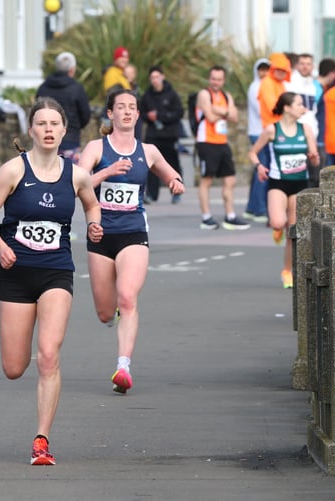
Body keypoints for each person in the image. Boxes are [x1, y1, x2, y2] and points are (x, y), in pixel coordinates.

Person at [0, 97, 102, 465]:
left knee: (48, 354)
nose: (48, 130)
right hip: (16, 272)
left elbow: (92, 204)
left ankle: (41, 440)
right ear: (31, 130)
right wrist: (0, 246)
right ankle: (26, 354)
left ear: (65, 131)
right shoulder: (13, 171)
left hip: (56, 271)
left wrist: (94, 223)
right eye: (41, 124)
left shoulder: (76, 174)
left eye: (54, 124)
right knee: (14, 368)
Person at [77, 89, 185, 394]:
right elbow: (75, 184)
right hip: (100, 233)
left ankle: (123, 366)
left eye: (132, 107)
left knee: (127, 297)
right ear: (110, 114)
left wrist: (176, 183)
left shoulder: (147, 151)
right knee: (105, 312)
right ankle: (114, 319)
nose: (127, 112)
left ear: (138, 115)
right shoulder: (96, 148)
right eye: (120, 107)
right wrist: (108, 171)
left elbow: (171, 175)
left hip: (134, 232)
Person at [249, 92, 319, 289]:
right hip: (278, 183)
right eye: (298, 104)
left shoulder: (306, 129)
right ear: (287, 108)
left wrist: (313, 158)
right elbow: (253, 153)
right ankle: (276, 228)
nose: (302, 108)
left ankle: (287, 270)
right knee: (278, 222)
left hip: (299, 184)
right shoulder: (272, 130)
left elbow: (315, 158)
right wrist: (259, 167)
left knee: (293, 232)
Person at [194, 65, 250, 230]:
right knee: (207, 180)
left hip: (222, 141)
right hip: (206, 141)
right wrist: (224, 111)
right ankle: (206, 216)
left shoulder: (226, 95)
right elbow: (210, 117)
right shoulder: (204, 94)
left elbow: (234, 117)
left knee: (230, 179)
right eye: (213, 79)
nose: (216, 82)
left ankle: (230, 215)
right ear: (209, 79)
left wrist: (220, 110)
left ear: (223, 80)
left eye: (219, 79)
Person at [35, 51, 91, 163]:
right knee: (69, 177)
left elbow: (36, 115)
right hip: (70, 140)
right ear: (72, 70)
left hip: (45, 141)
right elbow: (85, 115)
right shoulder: (76, 88)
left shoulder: (43, 88)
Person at [141, 64, 184, 204]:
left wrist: (161, 115)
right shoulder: (147, 96)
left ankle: (176, 191)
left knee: (172, 164)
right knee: (152, 166)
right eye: (152, 77)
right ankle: (152, 194)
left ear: (162, 77)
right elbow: (141, 114)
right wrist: (149, 116)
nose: (155, 80)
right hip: (153, 135)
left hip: (169, 135)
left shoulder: (172, 94)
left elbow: (179, 112)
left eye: (157, 77)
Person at [243, 58, 270, 221]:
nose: (264, 72)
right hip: (258, 133)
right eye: (261, 69)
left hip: (261, 132)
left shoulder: (264, 87)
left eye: (267, 69)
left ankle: (252, 207)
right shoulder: (256, 88)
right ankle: (260, 208)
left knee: (258, 171)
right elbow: (262, 110)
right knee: (263, 169)